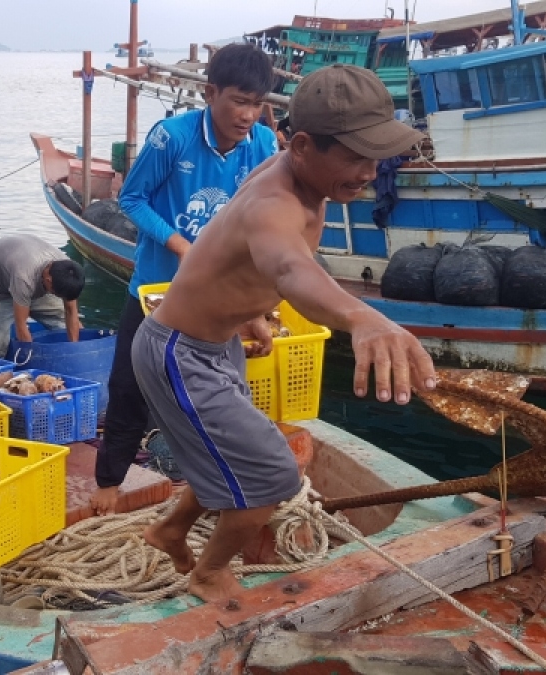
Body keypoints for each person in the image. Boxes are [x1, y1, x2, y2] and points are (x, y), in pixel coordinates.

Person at [133, 64, 437, 605]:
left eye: (375, 156)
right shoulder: (276, 204)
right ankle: (208, 573)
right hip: (179, 355)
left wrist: (249, 308)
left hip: (217, 341)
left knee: (229, 458)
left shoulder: (288, 169)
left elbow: (234, 253)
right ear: (301, 145)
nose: (368, 172)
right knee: (271, 476)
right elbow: (292, 269)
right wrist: (363, 318)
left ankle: (170, 531)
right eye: (353, 156)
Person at [90, 43, 280, 515]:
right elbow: (133, 200)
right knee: (128, 386)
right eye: (238, 100)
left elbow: (261, 217)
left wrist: (254, 307)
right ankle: (109, 483)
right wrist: (182, 248)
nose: (247, 114)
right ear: (210, 92)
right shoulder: (169, 138)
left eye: (257, 103)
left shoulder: (263, 144)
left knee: (224, 391)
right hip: (157, 288)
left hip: (220, 295)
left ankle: (209, 485)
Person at [0, 234, 84, 360]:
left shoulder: (67, 272)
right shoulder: (24, 277)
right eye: (56, 293)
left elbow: (71, 311)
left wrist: (76, 352)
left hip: (29, 278)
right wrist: (32, 361)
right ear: (48, 280)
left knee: (62, 324)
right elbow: (21, 326)